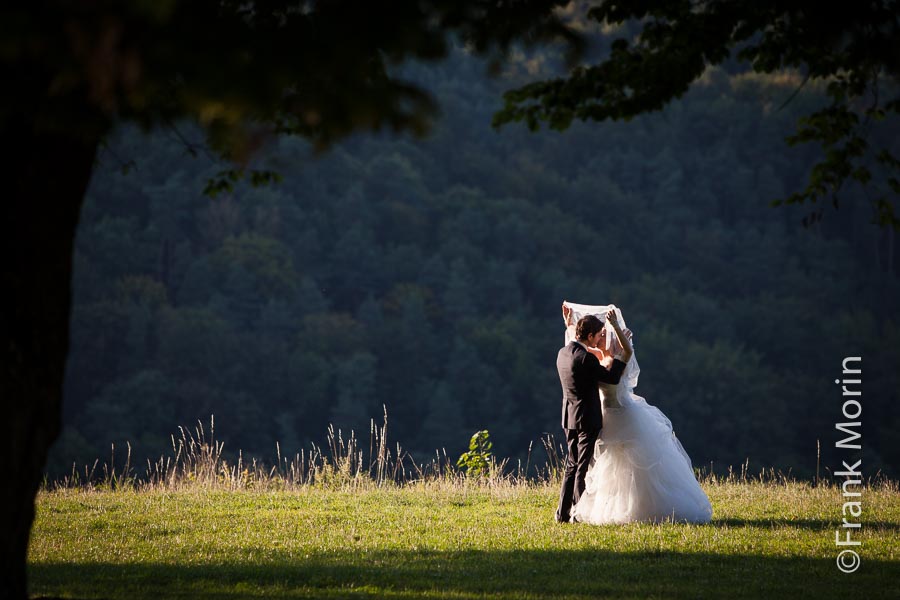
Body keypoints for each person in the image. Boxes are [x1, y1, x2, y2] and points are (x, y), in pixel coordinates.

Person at [562, 301, 713, 524]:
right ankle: (589, 510)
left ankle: (643, 507)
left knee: (633, 464)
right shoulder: (594, 357)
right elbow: (580, 345)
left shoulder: (612, 359)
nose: (602, 338)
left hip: (622, 416)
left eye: (606, 335)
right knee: (610, 467)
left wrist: (616, 329)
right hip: (605, 417)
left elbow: (622, 351)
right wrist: (569, 324)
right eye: (600, 335)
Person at [555, 305, 633, 524]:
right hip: (586, 418)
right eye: (598, 335)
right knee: (582, 467)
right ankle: (579, 514)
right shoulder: (586, 359)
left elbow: (576, 341)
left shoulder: (563, 353)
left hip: (569, 416)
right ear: (589, 336)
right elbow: (611, 378)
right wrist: (619, 357)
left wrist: (568, 324)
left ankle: (563, 513)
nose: (600, 339)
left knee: (571, 465)